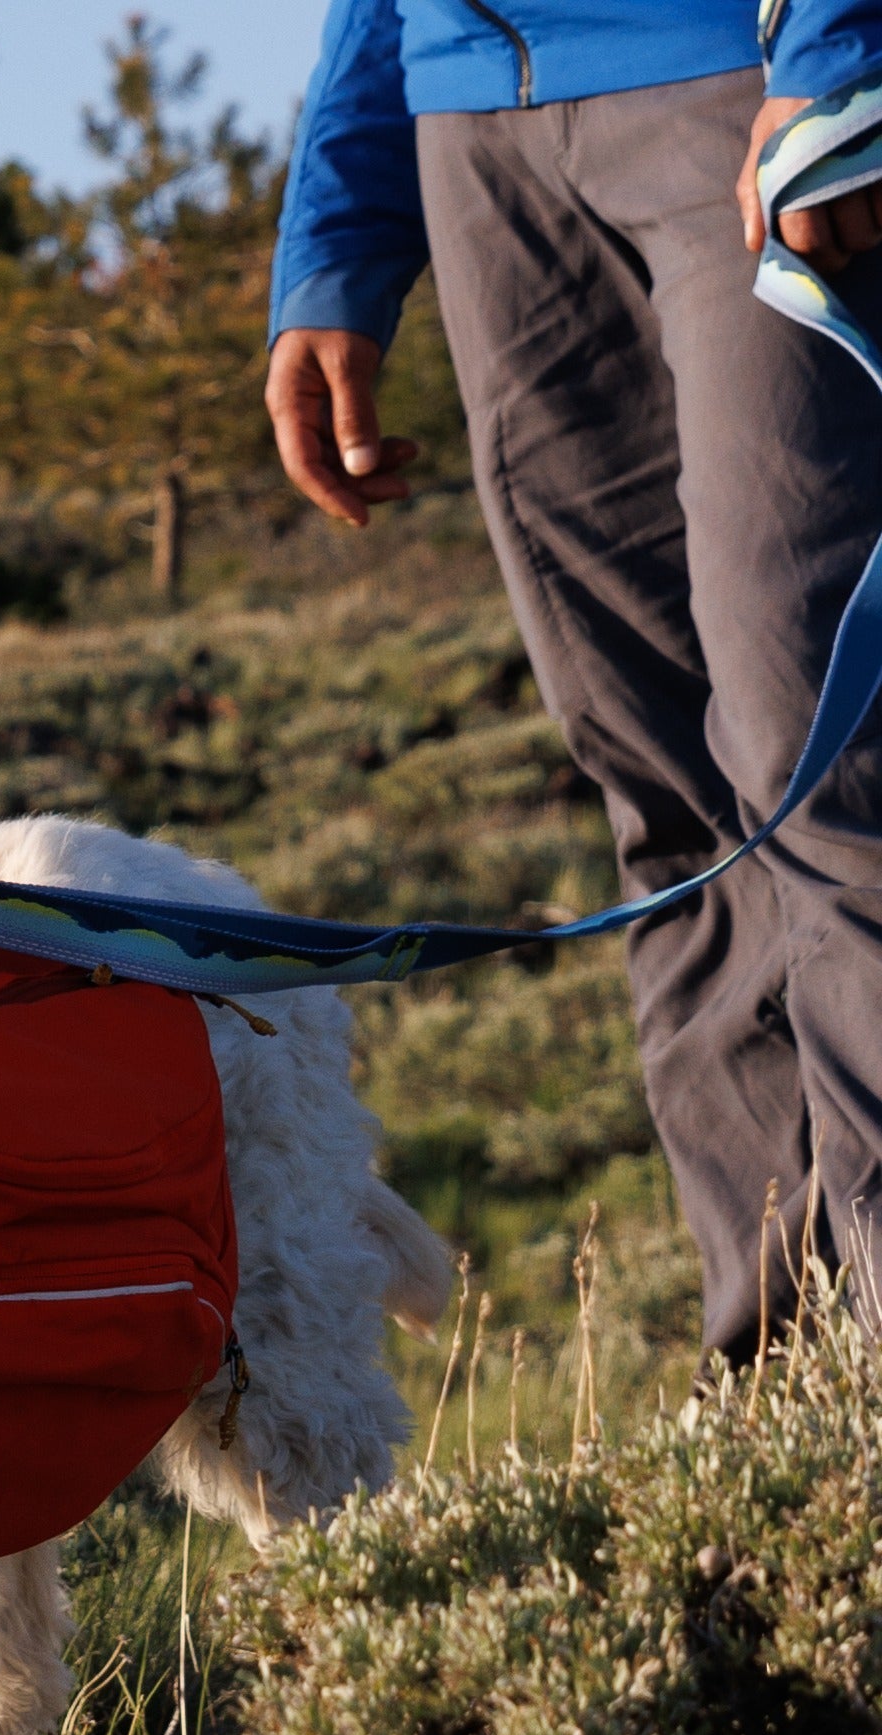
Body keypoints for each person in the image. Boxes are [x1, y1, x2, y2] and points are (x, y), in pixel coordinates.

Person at [267, 1, 882, 1362]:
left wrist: (841, 48)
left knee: (828, 764)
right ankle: (793, 1392)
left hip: (739, 77)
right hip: (474, 135)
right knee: (666, 794)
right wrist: (339, 230)